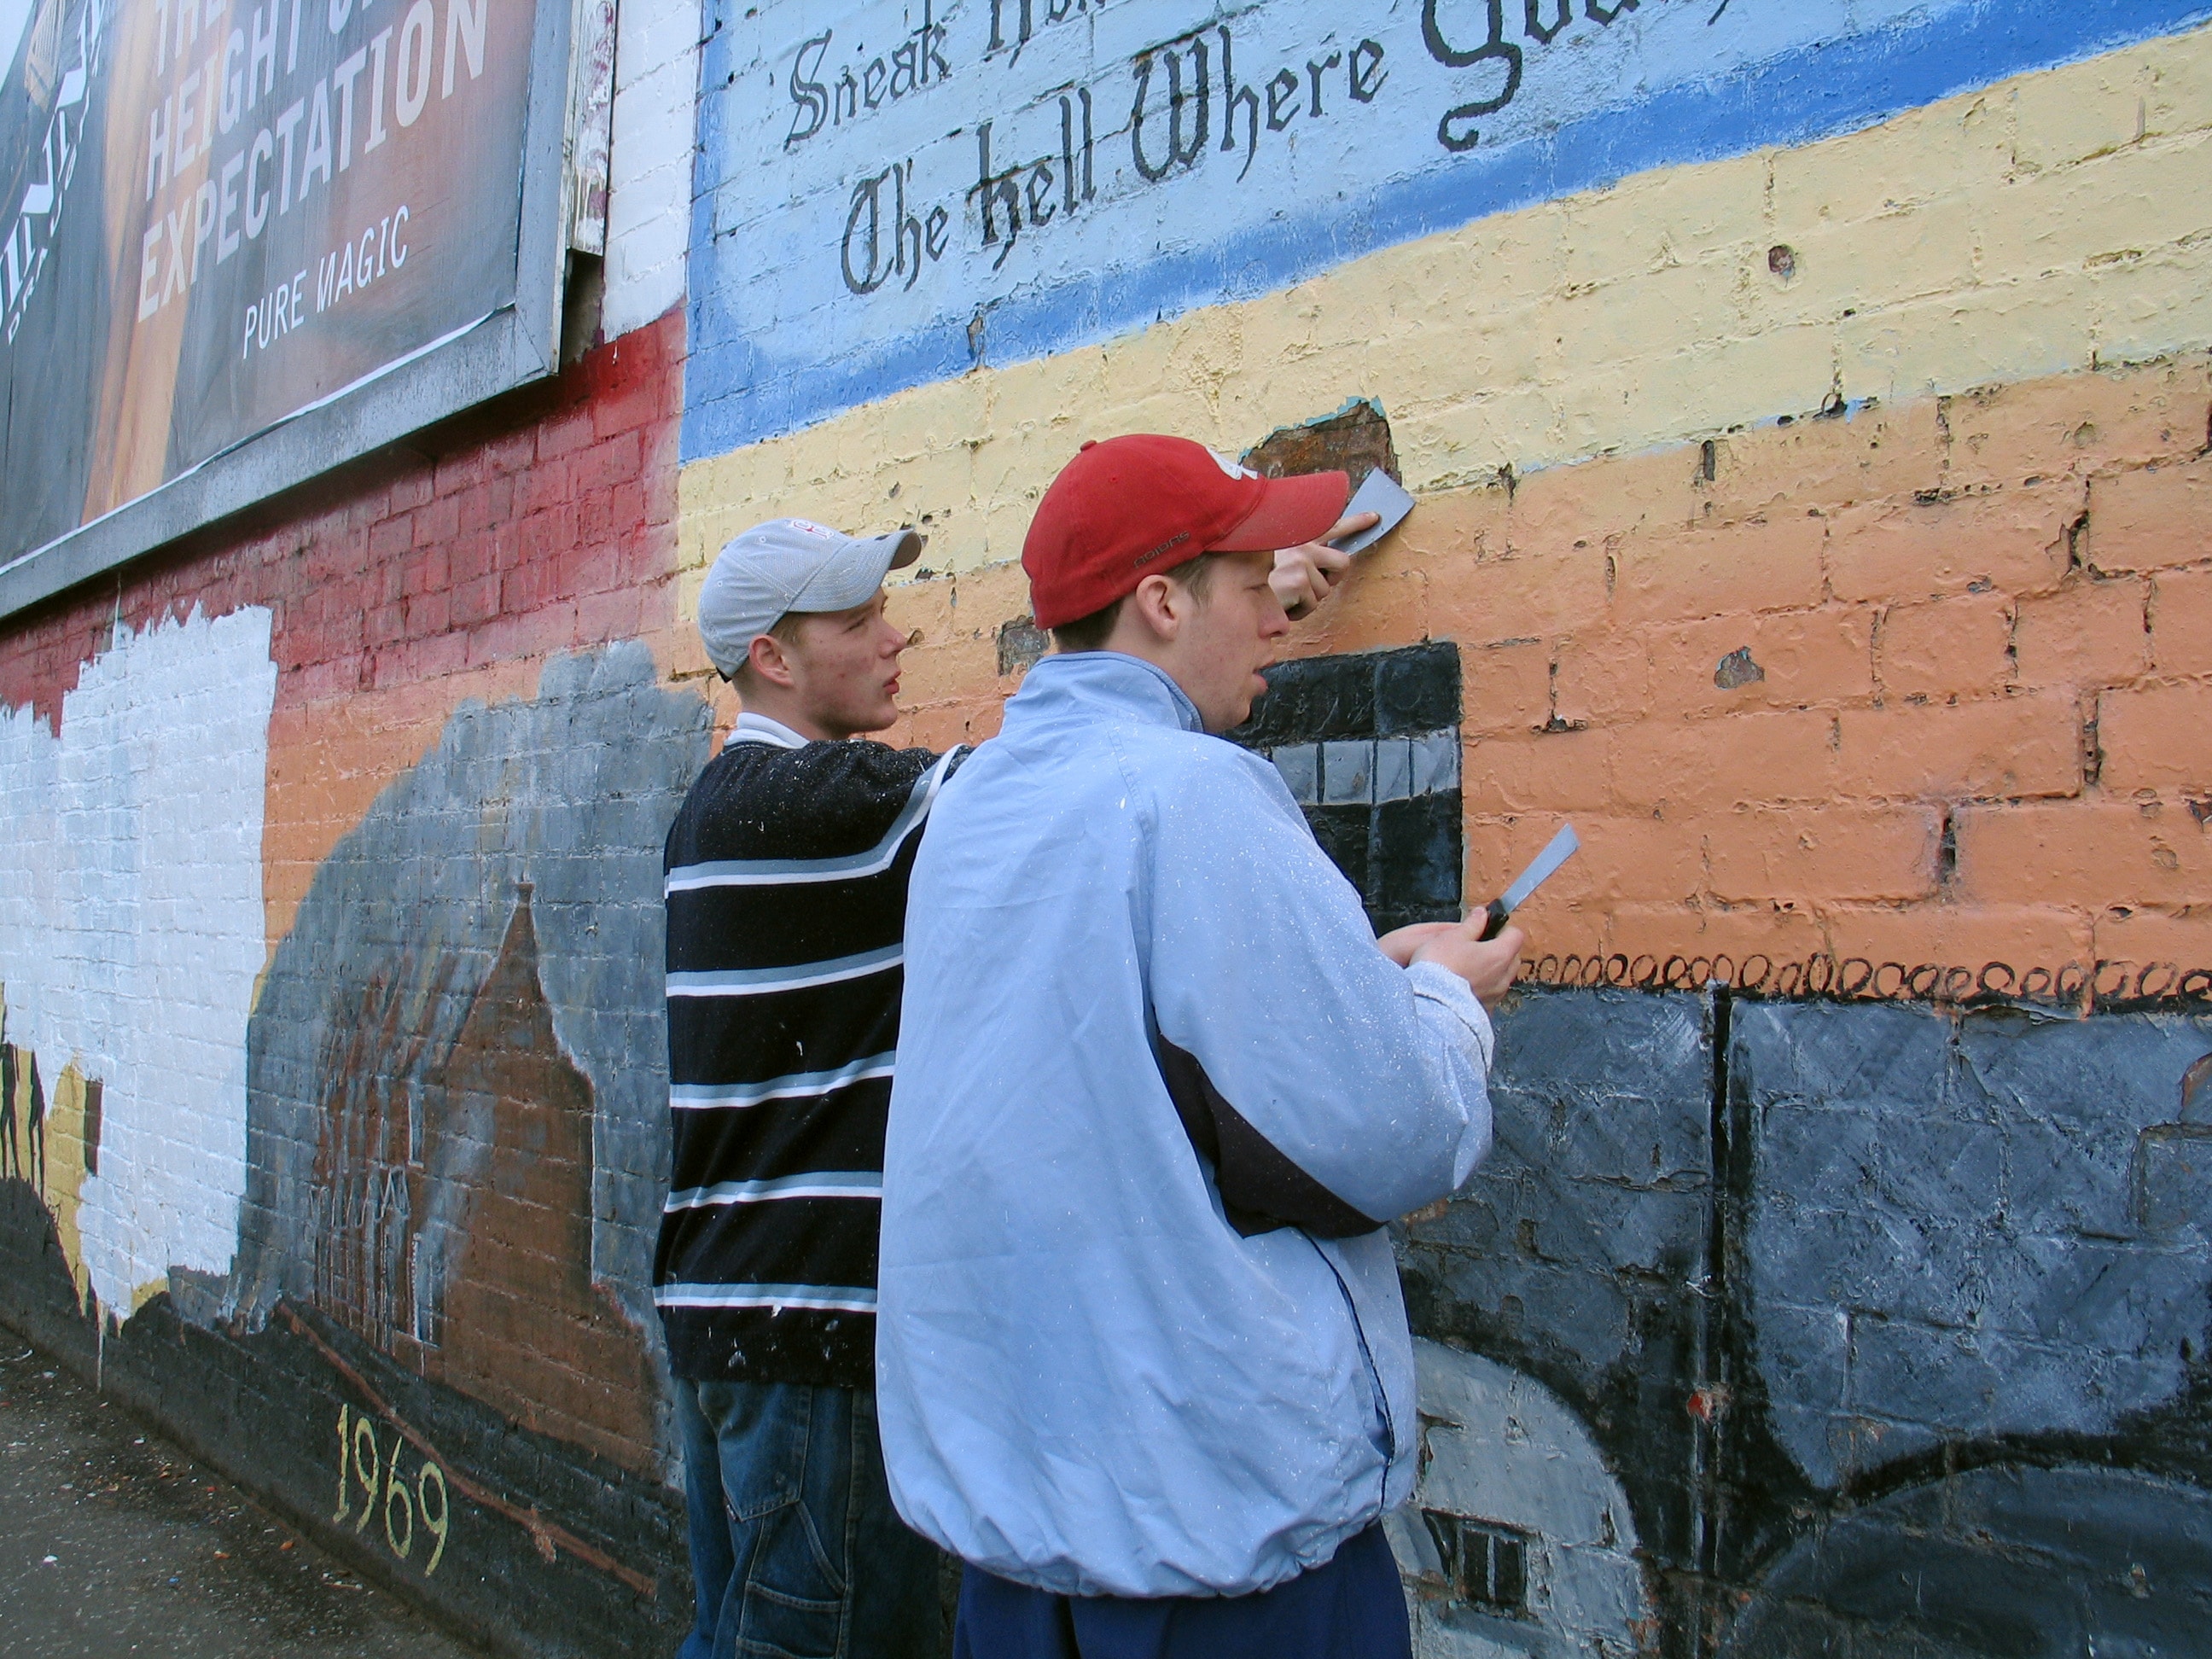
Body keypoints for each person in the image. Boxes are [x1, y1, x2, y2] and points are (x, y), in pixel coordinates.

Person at [655, 509, 1360, 1659]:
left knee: (750, 1631)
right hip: (812, 1340)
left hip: (746, 1323)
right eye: (859, 620)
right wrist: (1224, 604)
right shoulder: (809, 805)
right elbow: (1060, 789)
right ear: (772, 660)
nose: (896, 639)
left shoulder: (724, 809)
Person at [876, 436, 1527, 1659]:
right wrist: (1443, 998)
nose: (1274, 622)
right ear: (1164, 602)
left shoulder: (970, 808)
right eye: (1248, 586)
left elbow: (1115, 1049)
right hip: (1208, 1549)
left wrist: (1344, 983)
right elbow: (1400, 1135)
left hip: (1018, 1542)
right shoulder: (1195, 794)